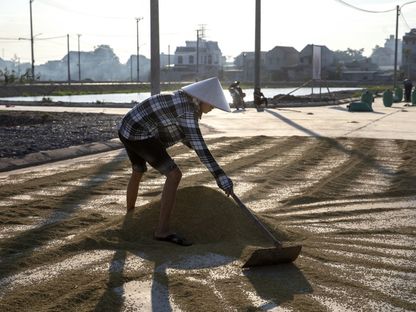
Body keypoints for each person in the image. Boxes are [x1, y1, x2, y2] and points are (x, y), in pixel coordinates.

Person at [118, 77, 234, 246]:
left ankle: (130, 214)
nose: (212, 108)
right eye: (212, 104)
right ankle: (162, 231)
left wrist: (193, 143)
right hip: (138, 134)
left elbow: (181, 132)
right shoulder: (187, 111)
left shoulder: (181, 98)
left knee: (138, 170)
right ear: (202, 99)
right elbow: (201, 149)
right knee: (174, 175)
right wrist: (221, 178)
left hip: (126, 128)